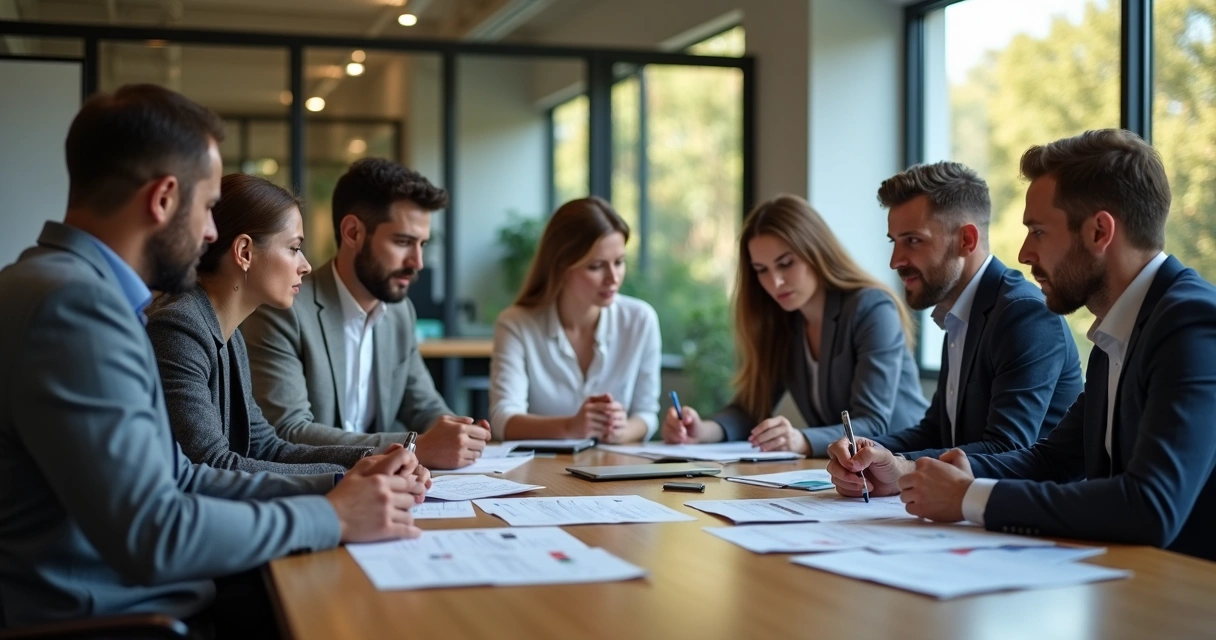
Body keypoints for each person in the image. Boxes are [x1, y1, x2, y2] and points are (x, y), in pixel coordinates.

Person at [0, 84, 427, 633]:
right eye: (206, 208)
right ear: (163, 199)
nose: (209, 234)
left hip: (135, 597)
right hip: (120, 617)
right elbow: (154, 533)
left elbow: (181, 475)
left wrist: (341, 481)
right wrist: (332, 514)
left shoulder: (63, 288)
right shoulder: (76, 308)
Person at [830, 130, 1216, 561]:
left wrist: (970, 498)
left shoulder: (1191, 323)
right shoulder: (1119, 330)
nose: (1025, 253)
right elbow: (1052, 460)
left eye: (1038, 231)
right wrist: (910, 472)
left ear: (1099, 232)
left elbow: (1151, 506)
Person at [824, 162, 1082, 468]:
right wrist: (864, 449)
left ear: (966, 240)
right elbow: (935, 432)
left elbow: (1006, 447)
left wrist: (899, 464)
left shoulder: (1023, 313)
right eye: (895, 242)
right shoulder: (961, 313)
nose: (895, 261)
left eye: (913, 241)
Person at [242, 158, 490, 470]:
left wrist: (460, 433)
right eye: (403, 242)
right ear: (353, 232)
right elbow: (287, 432)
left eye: (422, 244)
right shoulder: (284, 309)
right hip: (318, 487)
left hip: (390, 485)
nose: (417, 262)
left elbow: (424, 406)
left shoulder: (400, 312)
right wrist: (414, 447)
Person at [661, 194, 927, 456]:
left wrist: (800, 439)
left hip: (907, 461)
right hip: (848, 470)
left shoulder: (871, 308)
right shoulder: (783, 320)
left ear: (816, 252)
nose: (775, 282)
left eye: (786, 264)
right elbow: (751, 408)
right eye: (762, 270)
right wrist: (703, 430)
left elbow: (873, 424)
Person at [147, 173, 378, 474]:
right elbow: (212, 465)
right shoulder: (178, 329)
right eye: (294, 248)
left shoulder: (230, 334)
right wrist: (346, 478)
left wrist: (368, 460)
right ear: (245, 252)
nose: (306, 265)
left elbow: (266, 447)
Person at [489, 197, 661, 443]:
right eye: (596, 266)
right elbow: (502, 420)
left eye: (619, 262)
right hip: (542, 466)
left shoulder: (640, 320)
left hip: (614, 463)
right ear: (562, 266)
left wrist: (620, 431)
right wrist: (570, 427)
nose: (613, 278)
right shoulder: (516, 323)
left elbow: (646, 413)